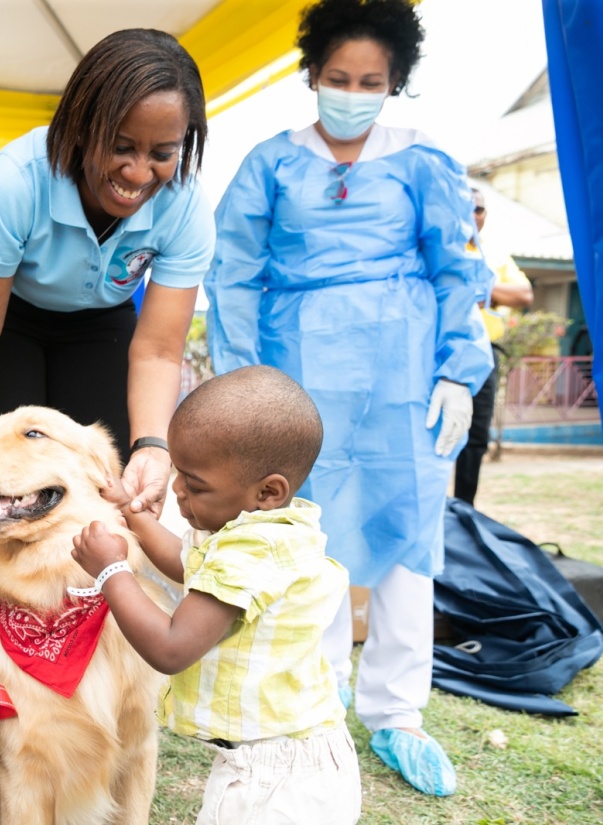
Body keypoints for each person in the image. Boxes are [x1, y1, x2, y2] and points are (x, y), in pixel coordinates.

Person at [203, 0, 493, 797]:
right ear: (312, 76)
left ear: (395, 80)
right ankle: (316, 695)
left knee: (410, 539)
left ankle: (398, 713)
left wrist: (456, 371)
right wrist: (247, 382)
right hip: (301, 369)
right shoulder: (270, 163)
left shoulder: (423, 160)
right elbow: (234, 275)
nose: (354, 92)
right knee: (308, 534)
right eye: (339, 78)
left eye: (372, 80)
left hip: (404, 371)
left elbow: (455, 272)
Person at [0, 28, 215, 676]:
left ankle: (84, 672)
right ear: (82, 125)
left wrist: (151, 443)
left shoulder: (187, 205)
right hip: (4, 324)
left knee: (98, 494)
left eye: (162, 153)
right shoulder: (15, 179)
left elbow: (159, 346)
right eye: (121, 146)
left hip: (101, 325)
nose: (139, 172)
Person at [71, 366, 361, 825]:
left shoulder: (251, 553)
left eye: (196, 484)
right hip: (297, 756)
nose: (178, 491)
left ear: (268, 491)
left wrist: (111, 572)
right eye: (179, 473)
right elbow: (191, 568)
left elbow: (171, 648)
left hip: (273, 781)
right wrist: (132, 512)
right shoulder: (269, 531)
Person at [454, 187, 534, 504]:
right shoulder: (435, 249)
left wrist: (481, 287)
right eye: (467, 208)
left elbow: (524, 295)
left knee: (475, 438)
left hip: (483, 354)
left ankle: (463, 510)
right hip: (434, 353)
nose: (475, 215)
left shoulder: (495, 255)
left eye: (480, 209)